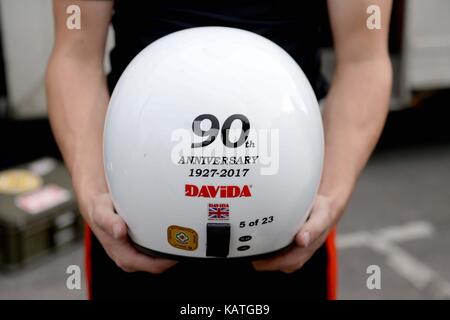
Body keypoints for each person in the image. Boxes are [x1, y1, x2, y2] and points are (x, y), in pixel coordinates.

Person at [46, 0, 392, 300]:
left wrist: (332, 193)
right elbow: (75, 55)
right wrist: (92, 191)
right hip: (132, 212)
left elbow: (364, 58)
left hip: (289, 216)